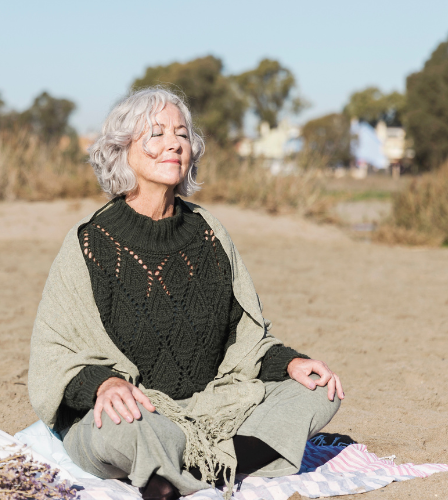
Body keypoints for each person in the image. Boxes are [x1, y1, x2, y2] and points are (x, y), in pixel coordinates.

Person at [28, 88, 343, 500]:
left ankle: (188, 473)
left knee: (319, 389)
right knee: (125, 427)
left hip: (214, 408)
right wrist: (104, 385)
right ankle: (211, 462)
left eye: (181, 133)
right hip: (144, 413)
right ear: (122, 150)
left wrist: (291, 362)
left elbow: (244, 338)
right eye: (155, 134)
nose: (174, 143)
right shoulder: (89, 242)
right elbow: (54, 354)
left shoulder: (209, 234)